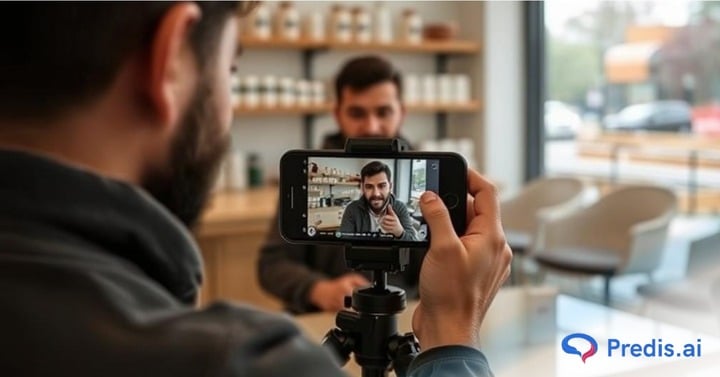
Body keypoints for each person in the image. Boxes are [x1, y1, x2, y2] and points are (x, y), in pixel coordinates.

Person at [0, 2, 512, 377]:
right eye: (230, 69)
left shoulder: (412, 206)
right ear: (171, 60)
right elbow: (273, 262)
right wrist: (452, 341)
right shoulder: (246, 363)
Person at [259, 55, 426, 313]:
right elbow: (271, 264)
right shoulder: (310, 174)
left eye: (383, 112)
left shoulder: (422, 180)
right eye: (357, 113)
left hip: (405, 316)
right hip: (325, 320)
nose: (371, 126)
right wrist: (319, 289)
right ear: (337, 114)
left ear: (401, 113)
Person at [339, 160, 418, 240]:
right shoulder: (352, 209)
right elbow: (343, 243)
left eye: (382, 186)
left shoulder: (400, 207)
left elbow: (413, 241)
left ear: (390, 186)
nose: (376, 194)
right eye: (369, 187)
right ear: (362, 188)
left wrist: (400, 233)